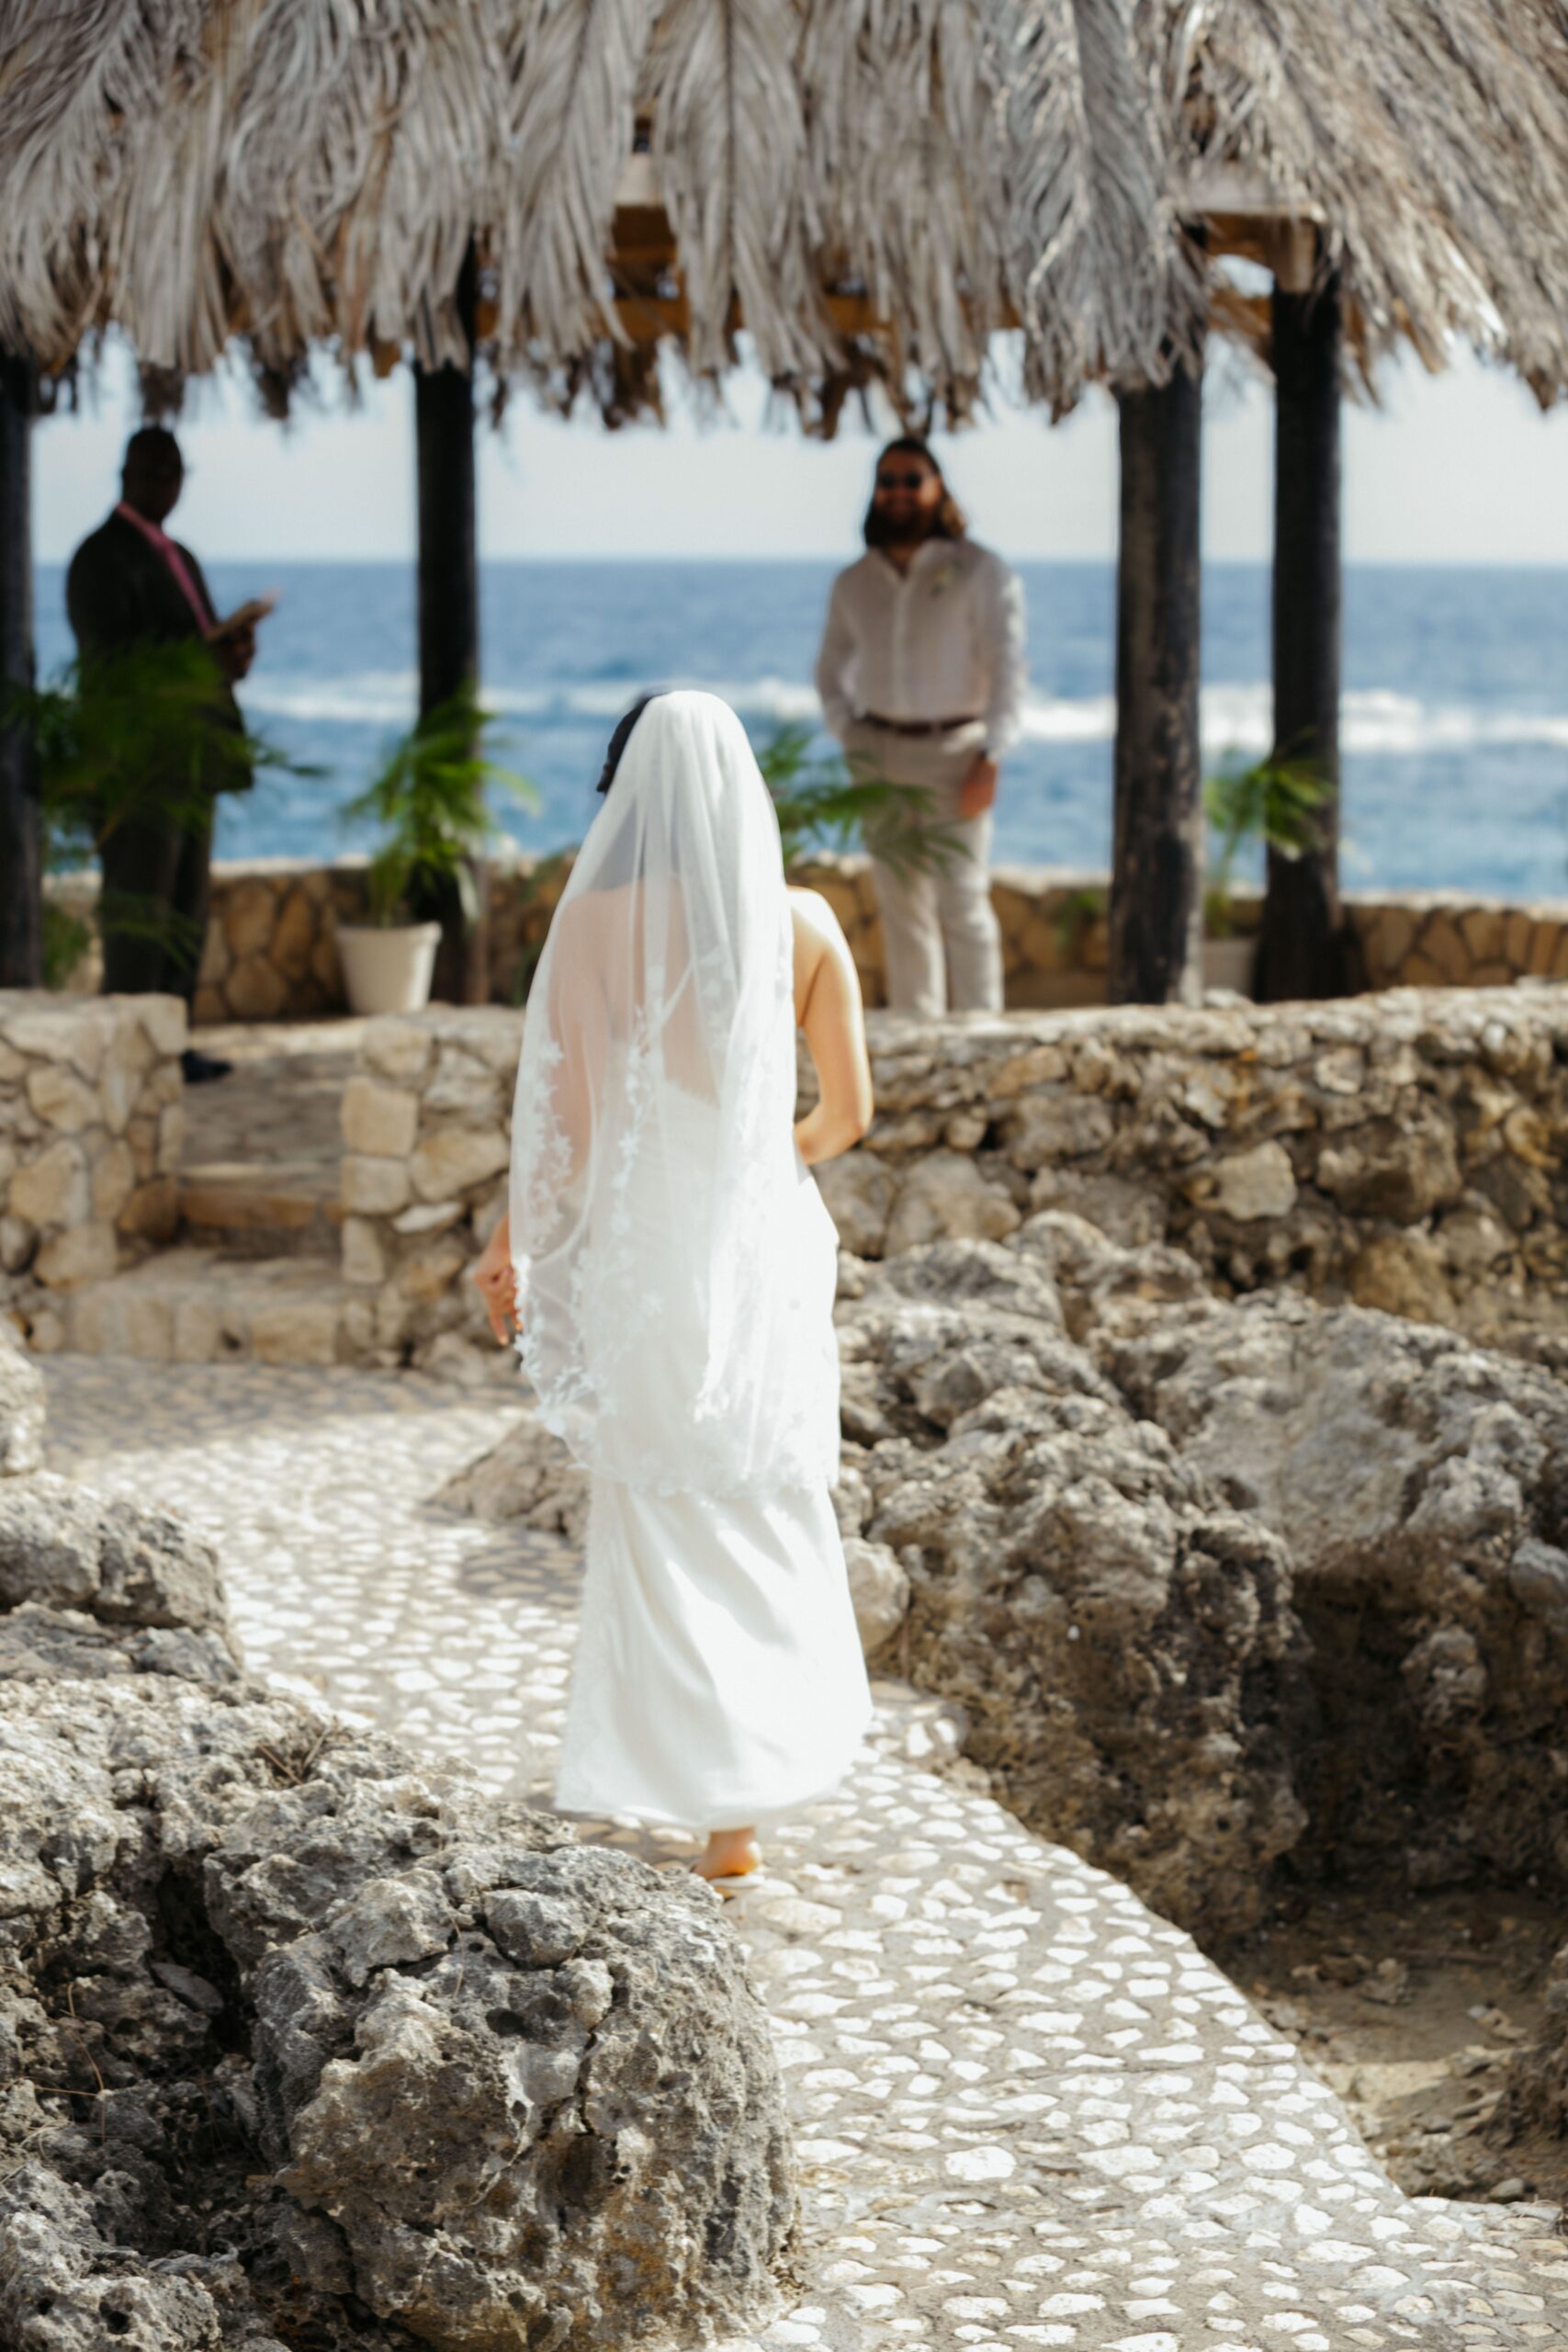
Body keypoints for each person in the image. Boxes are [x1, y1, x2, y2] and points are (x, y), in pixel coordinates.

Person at [470, 690, 875, 1890]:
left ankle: (690, 1791)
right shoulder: (802, 925)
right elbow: (846, 1117)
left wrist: (512, 1242)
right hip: (760, 1250)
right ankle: (746, 1801)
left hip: (647, 1250)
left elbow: (566, 1127)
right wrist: (752, 1169)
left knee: (654, 1501)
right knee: (763, 1488)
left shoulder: (594, 927)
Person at [66, 426, 263, 1083]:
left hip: (190, 760)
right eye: (155, 473)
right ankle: (132, 1053)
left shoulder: (180, 554)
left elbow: (196, 649)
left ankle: (172, 1047)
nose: (166, 486)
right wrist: (192, 660)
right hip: (138, 766)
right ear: (127, 475)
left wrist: (228, 658)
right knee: (140, 914)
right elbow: (111, 663)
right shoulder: (99, 558)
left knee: (184, 912)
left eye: (176, 473)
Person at [814, 435, 1028, 1016]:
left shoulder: (980, 570)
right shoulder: (854, 582)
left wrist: (992, 754)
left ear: (938, 488)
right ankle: (918, 1031)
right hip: (877, 751)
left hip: (957, 752)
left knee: (961, 897)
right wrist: (850, 734)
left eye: (912, 480)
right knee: (899, 899)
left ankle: (980, 1034)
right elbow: (831, 668)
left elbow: (1009, 668)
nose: (900, 493)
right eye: (888, 481)